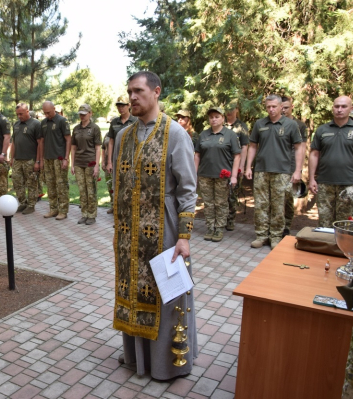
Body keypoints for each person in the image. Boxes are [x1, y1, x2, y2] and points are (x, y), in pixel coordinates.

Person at [112, 71, 197, 380]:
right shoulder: (123, 136)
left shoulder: (175, 134)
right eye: (129, 92)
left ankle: (166, 365)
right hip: (128, 236)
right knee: (132, 293)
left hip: (164, 230)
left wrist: (184, 237)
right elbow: (116, 185)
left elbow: (187, 188)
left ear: (156, 92)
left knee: (166, 294)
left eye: (138, 91)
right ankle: (137, 359)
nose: (132, 97)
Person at [245, 94, 303, 249]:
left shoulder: (290, 125)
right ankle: (261, 235)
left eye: (274, 106)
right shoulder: (259, 124)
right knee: (261, 204)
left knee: (278, 205)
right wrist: (248, 166)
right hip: (261, 171)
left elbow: (298, 147)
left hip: (282, 171)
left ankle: (276, 236)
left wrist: (298, 171)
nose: (271, 110)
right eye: (268, 107)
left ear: (280, 107)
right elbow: (252, 146)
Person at [309, 96, 353, 227]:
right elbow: (314, 154)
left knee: (345, 224)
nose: (339, 109)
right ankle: (326, 247)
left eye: (343, 106)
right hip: (325, 184)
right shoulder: (322, 129)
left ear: (351, 108)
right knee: (324, 223)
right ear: (333, 108)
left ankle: (343, 248)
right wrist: (311, 179)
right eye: (337, 106)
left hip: (349, 184)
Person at [194, 107, 241, 242]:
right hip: (205, 174)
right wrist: (194, 173)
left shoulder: (230, 135)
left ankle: (219, 228)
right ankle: (210, 227)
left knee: (220, 203)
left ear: (223, 118)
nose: (213, 119)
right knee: (208, 203)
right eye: (211, 117)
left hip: (222, 175)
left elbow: (237, 156)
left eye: (216, 116)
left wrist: (233, 176)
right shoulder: (203, 134)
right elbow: (197, 155)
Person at [103, 95, 137, 215]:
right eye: (118, 105)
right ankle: (119, 213)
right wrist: (110, 161)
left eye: (123, 105)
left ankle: (130, 213)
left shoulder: (135, 121)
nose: (120, 108)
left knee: (130, 186)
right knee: (117, 186)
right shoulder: (114, 122)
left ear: (129, 106)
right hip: (117, 159)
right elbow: (110, 142)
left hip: (131, 159)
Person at [71, 104, 102, 225]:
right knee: (82, 190)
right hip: (79, 162)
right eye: (80, 114)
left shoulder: (95, 128)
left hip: (90, 162)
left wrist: (96, 165)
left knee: (91, 190)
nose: (82, 116)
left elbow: (98, 148)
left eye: (84, 114)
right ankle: (84, 214)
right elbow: (73, 148)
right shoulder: (76, 128)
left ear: (90, 113)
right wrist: (72, 164)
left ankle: (91, 215)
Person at [281, 96, 308, 235]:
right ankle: (274, 227)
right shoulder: (274, 123)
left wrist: (298, 170)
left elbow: (302, 148)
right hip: (276, 166)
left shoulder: (299, 125)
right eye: (281, 107)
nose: (283, 110)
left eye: (286, 107)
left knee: (288, 199)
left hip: (291, 166)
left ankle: (286, 227)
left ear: (292, 107)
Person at [41, 101, 71, 220]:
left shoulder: (62, 121)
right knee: (50, 185)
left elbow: (68, 140)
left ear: (54, 109)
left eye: (48, 112)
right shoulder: (43, 123)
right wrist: (42, 159)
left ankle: (63, 211)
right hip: (48, 158)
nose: (47, 115)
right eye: (45, 113)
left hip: (59, 158)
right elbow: (42, 142)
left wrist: (66, 158)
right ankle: (53, 209)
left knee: (61, 185)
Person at [10, 103, 42, 215]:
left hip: (30, 159)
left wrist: (38, 161)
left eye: (21, 114)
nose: (19, 116)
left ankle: (31, 205)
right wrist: (11, 157)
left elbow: (40, 143)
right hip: (18, 159)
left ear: (27, 111)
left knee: (31, 183)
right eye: (17, 114)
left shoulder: (36, 124)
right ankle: (22, 203)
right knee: (17, 182)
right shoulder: (16, 124)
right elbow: (13, 142)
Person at [224, 102, 250, 231]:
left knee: (232, 194)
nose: (229, 112)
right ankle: (221, 218)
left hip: (235, 164)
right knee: (221, 194)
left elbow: (244, 147)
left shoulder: (241, 127)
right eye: (227, 109)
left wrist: (242, 166)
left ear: (237, 110)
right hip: (222, 164)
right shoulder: (221, 124)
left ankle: (230, 219)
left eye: (232, 109)